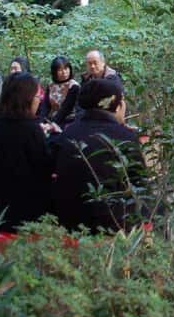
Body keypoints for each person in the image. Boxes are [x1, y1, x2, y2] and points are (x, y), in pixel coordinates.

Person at [50, 78, 146, 232]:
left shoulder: (67, 134)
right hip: (112, 222)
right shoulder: (125, 136)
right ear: (117, 106)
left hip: (68, 220)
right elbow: (140, 184)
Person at [0, 72, 53, 233]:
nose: (39, 99)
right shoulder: (31, 130)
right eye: (37, 95)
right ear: (27, 98)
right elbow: (45, 171)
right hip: (29, 215)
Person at [37, 56, 79, 128]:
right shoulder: (51, 85)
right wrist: (40, 121)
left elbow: (66, 109)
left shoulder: (73, 86)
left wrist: (52, 124)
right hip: (50, 119)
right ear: (54, 72)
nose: (64, 72)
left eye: (66, 68)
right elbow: (45, 105)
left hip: (67, 121)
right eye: (60, 70)